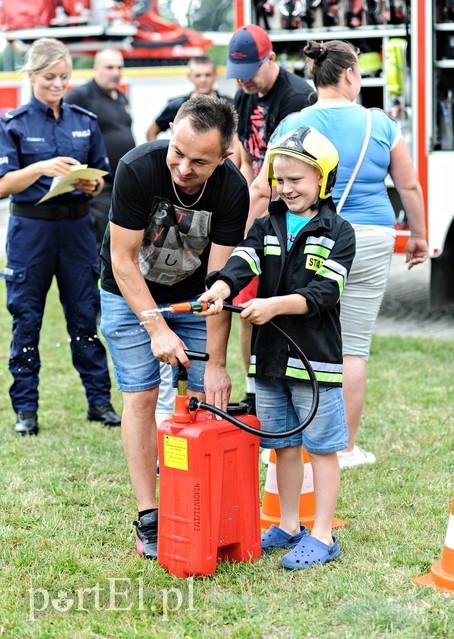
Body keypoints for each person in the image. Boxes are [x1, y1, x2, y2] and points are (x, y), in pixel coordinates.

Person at [248, 40, 429, 467]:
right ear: (350, 74)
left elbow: (262, 187)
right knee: (353, 348)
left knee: (302, 336)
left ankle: (293, 439)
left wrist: (247, 247)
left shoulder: (294, 123)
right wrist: (418, 235)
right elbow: (408, 186)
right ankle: (343, 448)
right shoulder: (380, 123)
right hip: (369, 238)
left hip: (312, 238)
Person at [198, 126, 356, 569]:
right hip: (268, 360)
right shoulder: (267, 225)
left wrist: (273, 306)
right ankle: (288, 525)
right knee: (282, 445)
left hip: (315, 361)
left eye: (296, 180)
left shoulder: (338, 232)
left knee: (321, 448)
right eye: (279, 179)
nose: (285, 189)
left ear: (323, 180)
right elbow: (244, 260)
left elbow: (326, 292)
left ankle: (322, 535)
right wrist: (224, 287)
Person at [99, 95, 249, 559]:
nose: (182, 167)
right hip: (128, 292)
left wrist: (219, 364)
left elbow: (219, 285)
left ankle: (199, 502)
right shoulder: (138, 167)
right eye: (177, 152)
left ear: (224, 157)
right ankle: (149, 515)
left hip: (191, 296)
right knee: (142, 394)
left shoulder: (231, 189)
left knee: (205, 398)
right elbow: (123, 260)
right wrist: (155, 328)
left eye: (198, 161)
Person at [0, 38, 121, 436]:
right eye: (49, 77)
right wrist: (41, 168)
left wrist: (89, 186)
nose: (58, 84)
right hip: (30, 231)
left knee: (85, 315)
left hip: (76, 229)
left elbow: (100, 173)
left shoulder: (83, 121)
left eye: (64, 77)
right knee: (27, 319)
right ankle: (26, 410)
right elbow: (3, 185)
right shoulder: (12, 123)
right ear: (31, 75)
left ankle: (99, 403)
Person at [225, 23, 318, 415]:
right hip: (259, 213)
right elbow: (247, 160)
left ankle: (295, 385)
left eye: (250, 72)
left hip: (286, 218)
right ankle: (253, 390)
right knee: (247, 307)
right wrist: (242, 214)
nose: (243, 80)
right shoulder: (244, 96)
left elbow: (291, 173)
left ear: (272, 60)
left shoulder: (297, 96)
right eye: (237, 73)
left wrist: (246, 223)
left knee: (278, 306)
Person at [65, 48, 136, 252]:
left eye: (119, 67)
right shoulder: (81, 95)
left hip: (122, 182)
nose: (116, 72)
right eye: (110, 67)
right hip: (100, 184)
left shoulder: (121, 97)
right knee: (104, 242)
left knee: (124, 240)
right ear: (96, 68)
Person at [145, 56, 234, 141]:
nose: (203, 79)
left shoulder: (229, 106)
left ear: (215, 75)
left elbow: (237, 139)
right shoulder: (176, 106)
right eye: (198, 75)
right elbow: (151, 132)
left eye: (207, 75)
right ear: (190, 76)